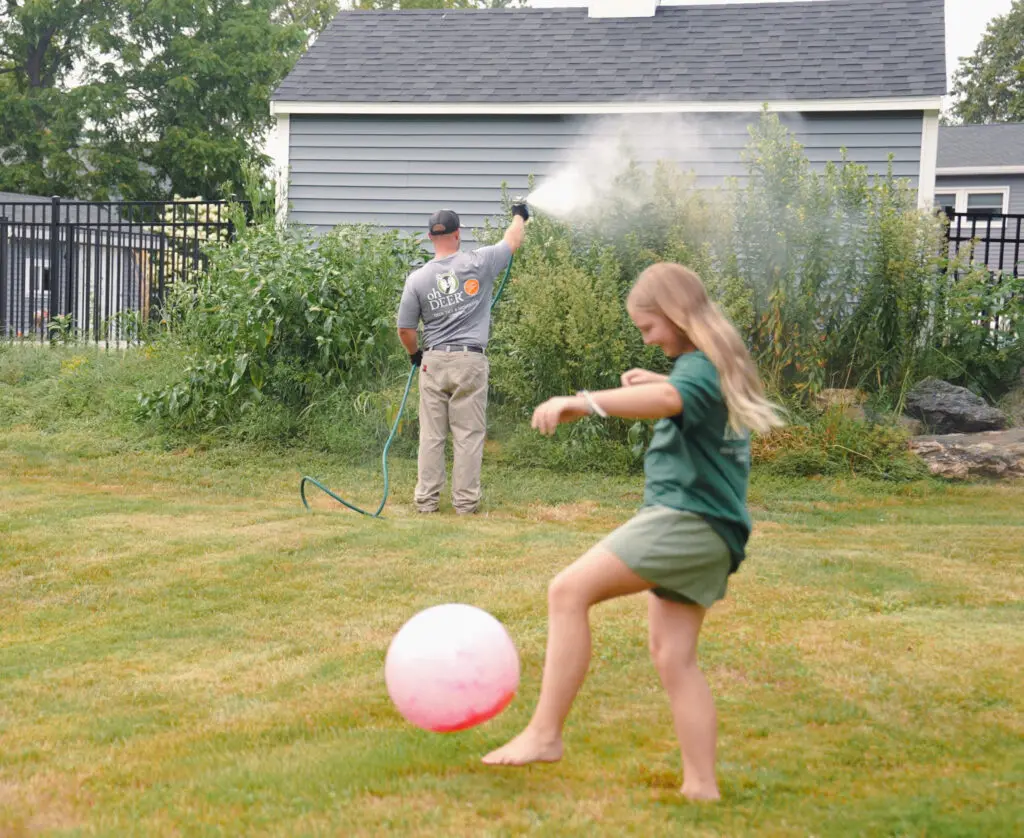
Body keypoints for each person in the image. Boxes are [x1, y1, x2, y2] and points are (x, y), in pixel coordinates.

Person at [481, 262, 785, 801]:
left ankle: (545, 734)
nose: (646, 339)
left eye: (648, 327)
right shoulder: (708, 366)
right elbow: (681, 395)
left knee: (568, 591)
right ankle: (701, 787)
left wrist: (584, 402)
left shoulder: (697, 367)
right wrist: (664, 381)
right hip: (714, 533)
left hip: (686, 520)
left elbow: (670, 402)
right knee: (673, 657)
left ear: (674, 314)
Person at [397, 205, 528, 515]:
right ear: (457, 234)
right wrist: (519, 215)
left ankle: (426, 501)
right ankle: (466, 503)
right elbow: (512, 240)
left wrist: (415, 355)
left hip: (433, 361)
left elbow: (405, 329)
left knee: (432, 435)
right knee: (468, 435)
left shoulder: (417, 279)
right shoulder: (479, 262)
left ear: (430, 237)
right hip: (470, 361)